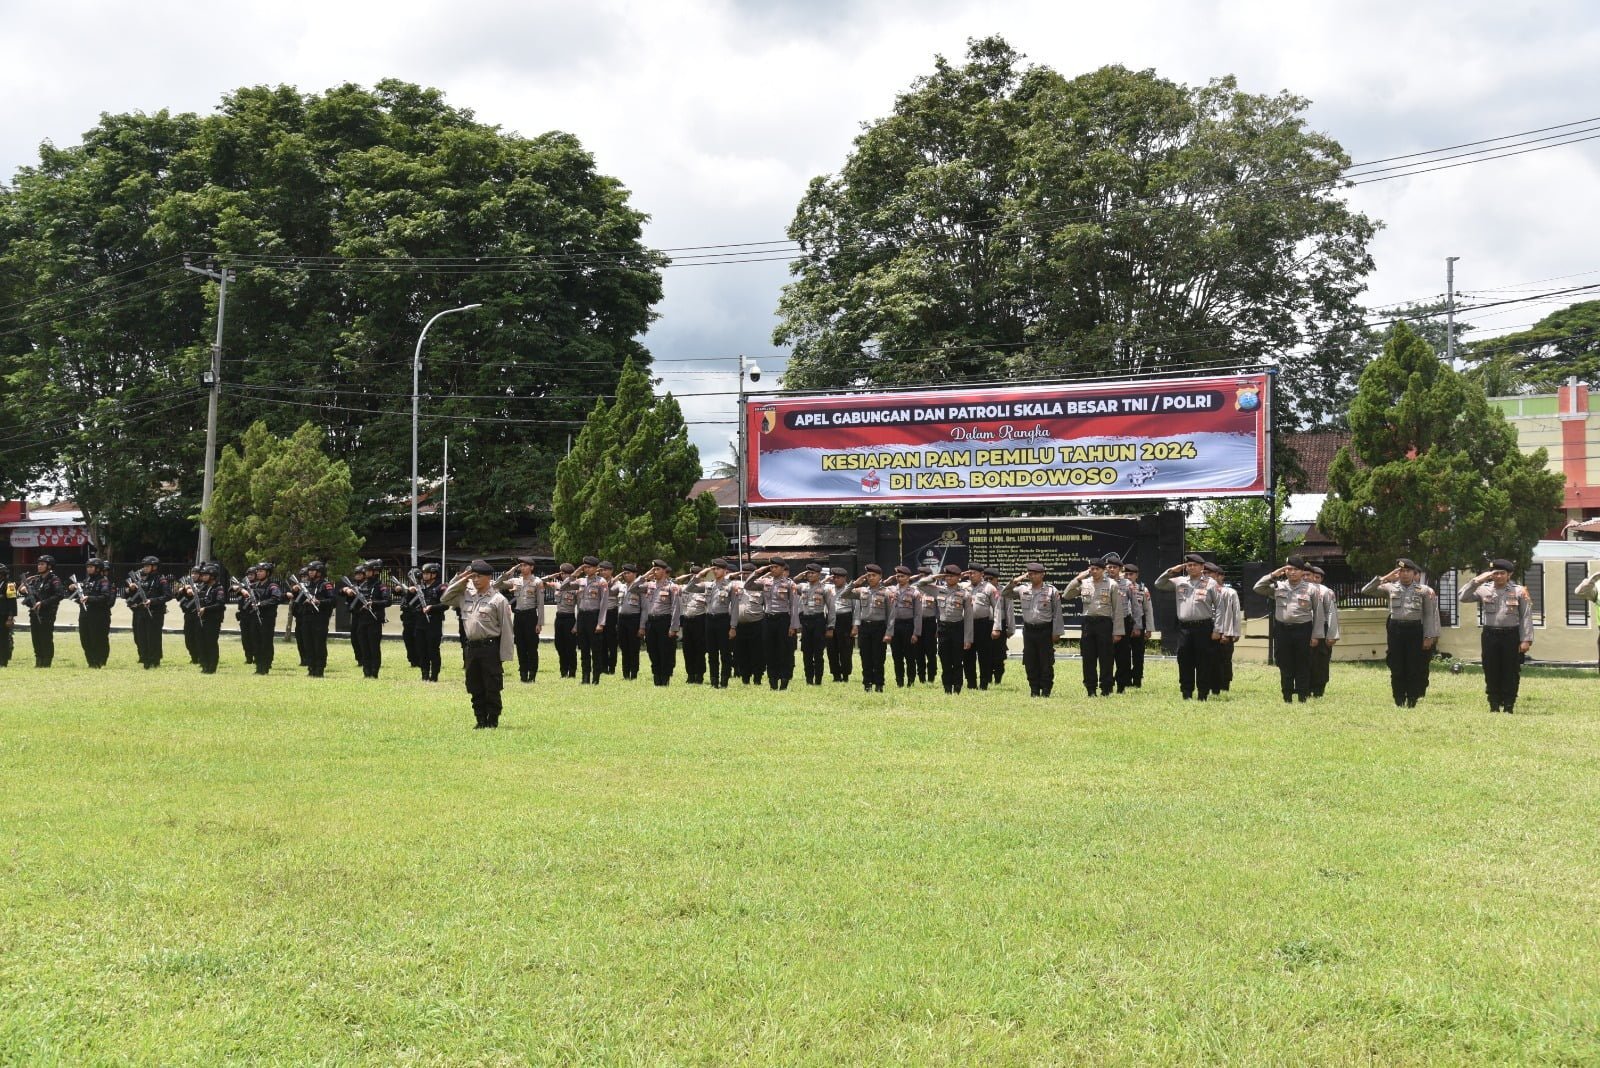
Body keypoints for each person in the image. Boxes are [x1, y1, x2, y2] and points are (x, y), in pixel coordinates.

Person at [440, 560, 515, 728]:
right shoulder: (465, 595)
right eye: (473, 576)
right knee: (474, 685)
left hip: (490, 648)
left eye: (478, 576)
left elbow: (507, 629)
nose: (475, 580)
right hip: (472, 648)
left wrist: (504, 655)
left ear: (488, 577)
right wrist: (462, 579)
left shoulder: (498, 599)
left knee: (492, 685)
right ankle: (480, 719)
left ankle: (492, 720)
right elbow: (445, 598)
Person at [1363, 558, 1441, 708]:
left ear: (1413, 573)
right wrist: (1385, 577)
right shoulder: (1390, 587)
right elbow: (1366, 590)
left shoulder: (1423, 590)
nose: (1405, 574)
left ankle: (1412, 698)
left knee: (1414, 666)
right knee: (1396, 665)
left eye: (1408, 571)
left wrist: (1428, 636)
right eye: (1401, 571)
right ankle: (1398, 698)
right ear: (1397, 573)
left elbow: (1428, 615)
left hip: (1415, 630)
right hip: (1396, 630)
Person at [1459, 558, 1534, 713]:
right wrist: (1477, 581)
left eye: (1502, 573)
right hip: (1490, 635)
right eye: (1495, 573)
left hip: (1511, 635)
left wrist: (1526, 639)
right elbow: (1463, 597)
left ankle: (1508, 704)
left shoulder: (1519, 591)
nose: (1498, 576)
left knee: (1510, 670)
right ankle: (1493, 703)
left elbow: (1526, 616)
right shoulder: (1483, 589)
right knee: (1490, 669)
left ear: (1509, 574)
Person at [1252, 555, 1327, 704]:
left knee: (1303, 663)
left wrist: (1316, 636)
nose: (1292, 572)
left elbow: (1319, 614)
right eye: (1289, 569)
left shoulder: (1311, 589)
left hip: (1303, 630)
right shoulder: (1278, 586)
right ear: (1285, 571)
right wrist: (1273, 574)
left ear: (1302, 571)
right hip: (1282, 630)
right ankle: (1287, 696)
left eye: (1296, 569)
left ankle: (1302, 696)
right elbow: (1258, 588)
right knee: (1284, 663)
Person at [1156, 553, 1218, 701]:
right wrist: (1172, 571)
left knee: (1203, 661)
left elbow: (1219, 607)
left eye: (1194, 565)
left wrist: (1217, 629)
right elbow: (1159, 584)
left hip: (1204, 627)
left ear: (1202, 567)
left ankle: (1203, 693)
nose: (1191, 567)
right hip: (1185, 629)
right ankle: (1186, 693)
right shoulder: (1180, 581)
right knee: (1184, 661)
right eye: (1189, 565)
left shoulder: (1211, 583)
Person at [1063, 556, 1125, 699]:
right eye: (1092, 568)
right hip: (1088, 623)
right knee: (1088, 658)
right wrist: (1078, 579)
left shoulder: (1112, 584)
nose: (1094, 571)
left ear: (1103, 570)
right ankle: (1090, 688)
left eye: (1097, 569)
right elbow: (1066, 595)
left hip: (1104, 623)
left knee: (1106, 658)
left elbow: (1117, 610)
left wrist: (1118, 631)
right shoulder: (1084, 583)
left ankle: (1106, 688)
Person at [1004, 563, 1065, 698]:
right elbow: (1005, 593)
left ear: (1043, 574)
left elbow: (1057, 613)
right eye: (1030, 574)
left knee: (1046, 661)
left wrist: (1056, 632)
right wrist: (1016, 580)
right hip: (1029, 630)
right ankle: (1034, 689)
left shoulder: (1051, 591)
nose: (1032, 576)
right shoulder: (1023, 589)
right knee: (1030, 661)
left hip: (1045, 630)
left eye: (1035, 574)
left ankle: (1046, 689)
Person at [919, 563, 975, 694]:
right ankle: (947, 687)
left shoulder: (965, 594)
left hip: (958, 628)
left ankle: (957, 687)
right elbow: (920, 584)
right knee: (945, 659)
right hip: (943, 629)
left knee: (957, 660)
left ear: (959, 577)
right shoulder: (938, 590)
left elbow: (968, 618)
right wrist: (935, 577)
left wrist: (968, 639)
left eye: (952, 576)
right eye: (947, 576)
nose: (949, 578)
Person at [746, 560, 801, 690]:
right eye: (771, 567)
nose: (773, 569)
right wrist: (757, 572)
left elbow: (794, 606)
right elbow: (748, 585)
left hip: (783, 619)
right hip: (768, 619)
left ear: (782, 568)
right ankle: (773, 680)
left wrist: (793, 626)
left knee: (783, 651)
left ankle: (784, 679)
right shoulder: (765, 581)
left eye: (776, 567)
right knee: (769, 651)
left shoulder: (789, 584)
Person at [495, 557, 545, 684]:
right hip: (518, 617)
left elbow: (540, 604)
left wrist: (539, 623)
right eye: (521, 565)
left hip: (531, 616)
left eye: (525, 565)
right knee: (520, 646)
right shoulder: (515, 581)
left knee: (532, 647)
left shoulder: (537, 582)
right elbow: (497, 584)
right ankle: (523, 674)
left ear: (532, 567)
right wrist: (510, 571)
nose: (522, 568)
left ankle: (532, 674)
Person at [634, 560, 683, 686]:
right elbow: (632, 588)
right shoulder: (649, 585)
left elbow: (676, 608)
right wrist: (645, 575)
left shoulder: (672, 587)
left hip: (664, 622)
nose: (655, 572)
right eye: (653, 569)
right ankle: (656, 676)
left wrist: (674, 628)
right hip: (651, 622)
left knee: (665, 651)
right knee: (652, 650)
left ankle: (665, 678)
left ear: (664, 571)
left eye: (657, 569)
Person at [846, 565, 893, 693]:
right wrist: (855, 583)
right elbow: (844, 594)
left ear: (880, 576)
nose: (871, 578)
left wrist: (889, 633)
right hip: (865, 627)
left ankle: (879, 684)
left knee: (878, 658)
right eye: (869, 575)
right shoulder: (862, 591)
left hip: (879, 627)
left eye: (874, 575)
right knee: (865, 657)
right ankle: (867, 684)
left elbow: (891, 615)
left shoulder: (887, 592)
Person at [343, 560, 392, 678]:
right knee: (363, 647)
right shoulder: (362, 585)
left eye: (368, 570)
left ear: (376, 571)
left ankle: (374, 672)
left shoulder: (381, 586)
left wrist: (373, 603)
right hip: (361, 619)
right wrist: (349, 594)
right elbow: (352, 603)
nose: (366, 572)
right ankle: (366, 671)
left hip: (374, 620)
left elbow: (387, 601)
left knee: (373, 647)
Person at [239, 562, 288, 675]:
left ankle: (265, 665)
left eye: (261, 571)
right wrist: (242, 591)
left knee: (265, 642)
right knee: (255, 641)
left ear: (268, 573)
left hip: (266, 619)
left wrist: (261, 604)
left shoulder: (272, 586)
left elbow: (276, 598)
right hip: (254, 618)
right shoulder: (254, 586)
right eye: (257, 571)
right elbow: (236, 589)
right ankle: (258, 665)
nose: (258, 573)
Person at [291, 561, 338, 678]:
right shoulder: (306, 585)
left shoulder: (326, 585)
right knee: (307, 644)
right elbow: (297, 602)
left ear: (320, 572)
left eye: (313, 570)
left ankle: (319, 669)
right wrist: (295, 592)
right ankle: (311, 667)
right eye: (310, 571)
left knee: (318, 644)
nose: (310, 573)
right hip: (306, 618)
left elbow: (333, 601)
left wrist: (319, 602)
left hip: (319, 618)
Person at [124, 556, 171, 669]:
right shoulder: (142, 580)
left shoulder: (161, 579)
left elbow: (168, 595)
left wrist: (152, 601)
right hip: (141, 612)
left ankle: (154, 660)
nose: (145, 568)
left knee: (153, 637)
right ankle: (145, 659)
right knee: (141, 637)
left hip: (155, 613)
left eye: (147, 566)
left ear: (154, 567)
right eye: (144, 566)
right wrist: (130, 589)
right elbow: (130, 596)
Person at [68, 558, 116, 668]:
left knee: (98, 638)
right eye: (88, 567)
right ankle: (91, 661)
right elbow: (79, 595)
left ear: (98, 568)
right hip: (85, 614)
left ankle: (99, 661)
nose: (89, 569)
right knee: (85, 638)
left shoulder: (103, 581)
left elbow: (105, 597)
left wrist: (89, 598)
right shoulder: (86, 581)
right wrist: (72, 589)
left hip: (99, 614)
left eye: (91, 567)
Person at [795, 562, 836, 686]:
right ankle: (809, 679)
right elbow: (791, 583)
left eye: (812, 573)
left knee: (818, 652)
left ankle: (818, 679)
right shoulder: (802, 587)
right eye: (808, 573)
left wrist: (830, 627)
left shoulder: (826, 589)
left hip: (818, 621)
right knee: (806, 652)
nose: (810, 575)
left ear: (819, 574)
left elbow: (831, 608)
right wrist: (800, 575)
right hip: (806, 621)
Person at [21, 555, 65, 668]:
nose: (39, 566)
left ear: (49, 566)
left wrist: (43, 603)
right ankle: (38, 661)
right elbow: (27, 592)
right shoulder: (37, 579)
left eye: (42, 564)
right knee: (36, 638)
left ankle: (46, 662)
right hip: (34, 613)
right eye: (38, 564)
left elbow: (60, 595)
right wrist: (24, 589)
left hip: (47, 613)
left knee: (45, 638)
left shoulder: (54, 580)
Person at [701, 560, 737, 688]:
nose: (715, 571)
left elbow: (735, 608)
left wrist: (733, 627)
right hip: (709, 620)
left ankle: (724, 681)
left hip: (723, 620)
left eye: (718, 569)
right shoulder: (709, 585)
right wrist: (705, 571)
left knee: (725, 653)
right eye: (714, 569)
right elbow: (691, 586)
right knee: (712, 653)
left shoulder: (731, 586)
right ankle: (714, 681)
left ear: (725, 570)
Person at [573, 557, 609, 685]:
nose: (586, 569)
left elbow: (604, 604)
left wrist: (601, 623)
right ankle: (585, 677)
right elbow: (565, 586)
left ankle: (595, 678)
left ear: (595, 568)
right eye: (585, 567)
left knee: (596, 650)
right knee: (584, 649)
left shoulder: (602, 582)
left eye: (589, 567)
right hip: (582, 616)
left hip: (594, 617)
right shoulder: (581, 581)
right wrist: (575, 573)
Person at [1206, 562, 1242, 693]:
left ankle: (1224, 685)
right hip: (1208, 630)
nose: (1206, 576)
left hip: (1225, 632)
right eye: (1204, 573)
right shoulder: (1203, 590)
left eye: (1209, 573)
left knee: (1224, 659)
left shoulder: (1229, 592)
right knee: (1209, 660)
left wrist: (1232, 633)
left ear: (1219, 576)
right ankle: (1209, 685)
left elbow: (1235, 614)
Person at [886, 566, 924, 688]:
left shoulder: (915, 592)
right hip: (895, 625)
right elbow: (879, 587)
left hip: (909, 625)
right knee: (897, 656)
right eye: (897, 576)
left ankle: (911, 681)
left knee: (910, 656)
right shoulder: (890, 590)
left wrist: (916, 633)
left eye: (902, 576)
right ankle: (899, 681)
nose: (899, 578)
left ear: (908, 578)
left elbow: (918, 614)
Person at [730, 567, 769, 685]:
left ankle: (757, 677)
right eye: (745, 573)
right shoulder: (737, 586)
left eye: (749, 573)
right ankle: (745, 677)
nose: (747, 575)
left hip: (756, 624)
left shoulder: (761, 587)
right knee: (741, 652)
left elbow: (767, 605)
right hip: (740, 625)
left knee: (757, 652)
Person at [1306, 565, 1340, 698]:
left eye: (1317, 577)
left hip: (1323, 628)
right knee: (1306, 660)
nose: (1313, 579)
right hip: (1305, 627)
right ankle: (1306, 687)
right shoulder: (1302, 590)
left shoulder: (1326, 591)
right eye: (1310, 575)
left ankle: (1319, 689)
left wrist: (1332, 634)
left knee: (1321, 660)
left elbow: (1332, 613)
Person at [1121, 563, 1155, 689]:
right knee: (1123, 654)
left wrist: (1149, 629)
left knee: (1138, 654)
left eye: (1131, 574)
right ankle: (1125, 679)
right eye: (1126, 574)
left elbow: (1148, 610)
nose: (1128, 576)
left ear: (1137, 575)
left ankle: (1137, 679)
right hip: (1124, 624)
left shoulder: (1142, 589)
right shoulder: (1119, 587)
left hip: (1139, 624)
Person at [677, 563, 711, 684]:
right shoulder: (685, 588)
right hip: (687, 620)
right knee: (688, 649)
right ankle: (690, 674)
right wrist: (688, 576)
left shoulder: (706, 588)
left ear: (702, 576)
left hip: (700, 620)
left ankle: (699, 675)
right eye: (692, 575)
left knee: (699, 649)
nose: (693, 577)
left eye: (696, 575)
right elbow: (674, 581)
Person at [610, 564, 644, 680]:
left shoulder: (640, 587)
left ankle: (633, 674)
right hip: (621, 619)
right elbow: (608, 589)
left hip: (634, 619)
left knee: (633, 648)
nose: (625, 575)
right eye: (624, 573)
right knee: (624, 648)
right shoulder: (621, 587)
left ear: (635, 574)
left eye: (628, 573)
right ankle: (625, 674)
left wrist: (642, 626)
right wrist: (617, 577)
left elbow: (645, 608)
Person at [193, 564, 227, 673]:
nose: (203, 577)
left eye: (205, 575)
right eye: (202, 575)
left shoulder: (218, 588)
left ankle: (212, 667)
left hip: (212, 620)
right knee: (200, 642)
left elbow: (220, 604)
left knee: (210, 643)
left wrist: (206, 609)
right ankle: (204, 665)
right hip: (201, 619)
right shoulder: (203, 587)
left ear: (212, 576)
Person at [547, 563, 579, 678]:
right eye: (562, 573)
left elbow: (580, 608)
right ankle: (563, 671)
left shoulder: (576, 588)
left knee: (570, 647)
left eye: (565, 573)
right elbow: (541, 582)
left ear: (571, 575)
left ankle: (572, 672)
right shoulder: (557, 585)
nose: (563, 575)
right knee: (559, 645)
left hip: (569, 618)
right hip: (559, 618)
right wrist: (552, 576)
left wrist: (576, 625)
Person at [827, 568, 856, 683]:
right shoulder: (829, 589)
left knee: (846, 650)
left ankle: (845, 674)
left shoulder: (851, 590)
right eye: (834, 577)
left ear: (844, 578)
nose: (835, 579)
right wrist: (826, 579)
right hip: (830, 621)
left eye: (838, 578)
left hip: (845, 620)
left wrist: (855, 626)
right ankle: (835, 675)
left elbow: (856, 609)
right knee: (831, 649)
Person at [176, 565, 204, 664]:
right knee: (188, 638)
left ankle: (201, 657)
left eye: (196, 573)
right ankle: (194, 657)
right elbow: (178, 598)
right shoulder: (186, 584)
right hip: (188, 614)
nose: (194, 575)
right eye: (193, 573)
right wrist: (183, 589)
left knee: (199, 637)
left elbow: (205, 596)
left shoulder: (204, 584)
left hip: (199, 614)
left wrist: (194, 591)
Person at [0, 563, 15, 668]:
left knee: (4, 639)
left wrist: (10, 617)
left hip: (4, 616)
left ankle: (3, 661)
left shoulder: (9, 585)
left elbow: (12, 602)